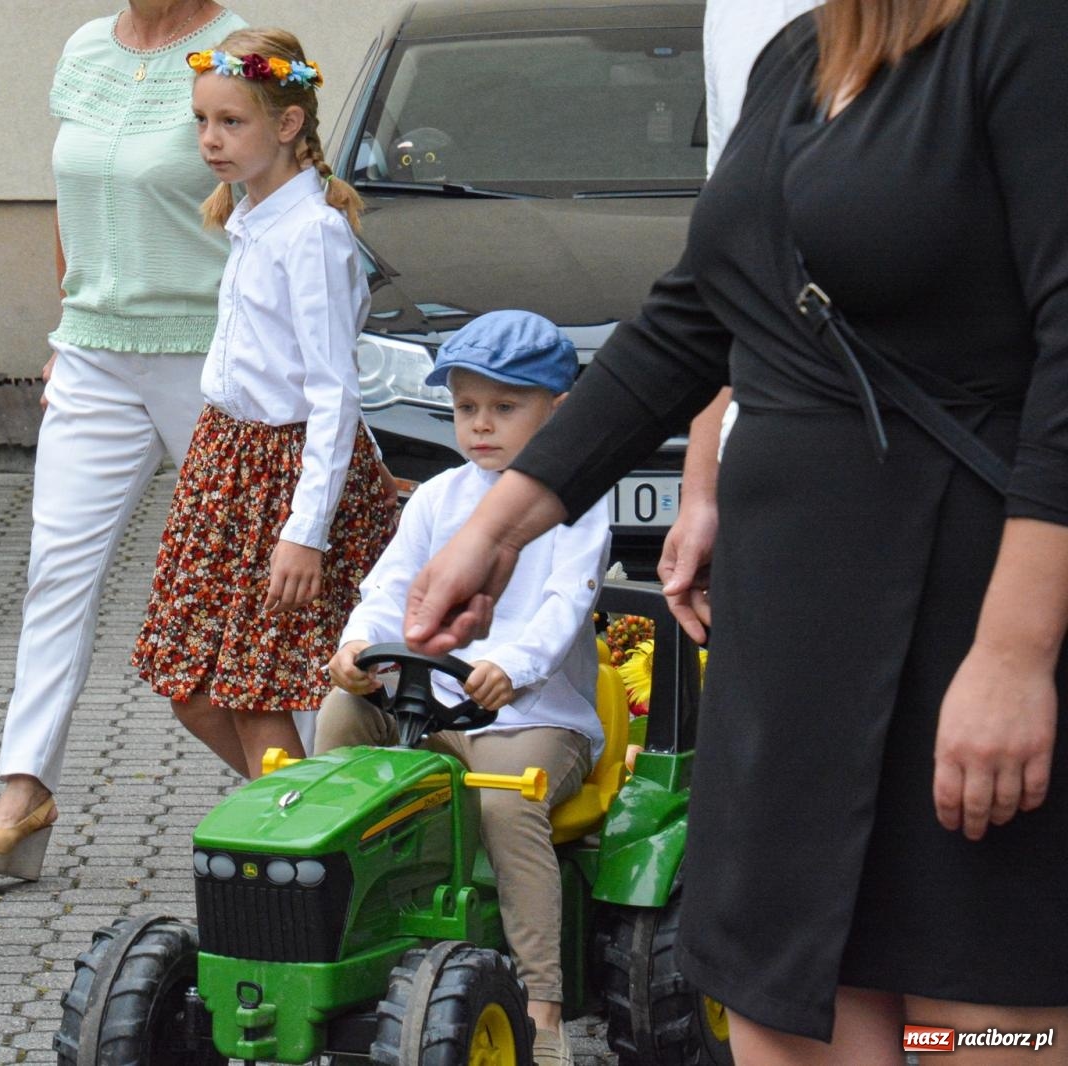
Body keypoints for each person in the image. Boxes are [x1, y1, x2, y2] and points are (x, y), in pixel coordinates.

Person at [402, 1, 1068, 1061]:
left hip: (973, 600)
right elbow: (697, 316)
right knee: (781, 981)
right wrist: (503, 522)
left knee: (978, 1013)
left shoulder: (1024, 35)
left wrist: (1016, 654)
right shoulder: (802, 51)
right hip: (794, 619)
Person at [0, 0, 248, 878]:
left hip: (210, 354)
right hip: (93, 355)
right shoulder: (84, 48)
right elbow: (72, 198)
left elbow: (273, 202)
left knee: (250, 578)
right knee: (57, 568)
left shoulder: (234, 52)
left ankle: (312, 779)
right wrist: (63, 325)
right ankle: (23, 791)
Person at [318, 311, 608, 1066]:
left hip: (538, 716)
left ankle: (543, 1009)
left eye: (505, 409)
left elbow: (563, 606)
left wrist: (510, 665)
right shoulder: (437, 498)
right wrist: (356, 645)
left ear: (558, 410)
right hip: (439, 709)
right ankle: (342, 935)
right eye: (467, 408)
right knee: (343, 714)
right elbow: (389, 589)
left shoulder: (576, 504)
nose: (481, 426)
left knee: (506, 796)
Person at [131, 27, 397, 782]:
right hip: (226, 460)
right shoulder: (253, 218)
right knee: (195, 685)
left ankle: (296, 842)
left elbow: (330, 392)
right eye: (202, 122)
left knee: (252, 687)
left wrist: (304, 532)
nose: (210, 140)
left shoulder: (311, 233)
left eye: (231, 122)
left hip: (280, 475)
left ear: (287, 125)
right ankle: (298, 820)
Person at [658, 0, 823, 639]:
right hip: (763, 472)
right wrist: (699, 489)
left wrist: (1015, 648)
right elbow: (723, 278)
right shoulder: (741, 12)